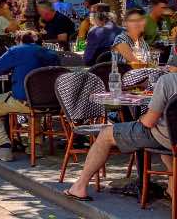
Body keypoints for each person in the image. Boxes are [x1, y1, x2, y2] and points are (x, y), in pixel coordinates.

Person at [65, 71, 177, 201]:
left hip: (166, 137)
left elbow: (148, 122)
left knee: (105, 134)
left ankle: (79, 187)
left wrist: (141, 118)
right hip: (172, 140)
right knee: (167, 150)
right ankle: (171, 190)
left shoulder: (168, 81)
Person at [0, 31, 59, 161]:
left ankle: (3, 146)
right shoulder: (51, 53)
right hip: (50, 102)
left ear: (19, 41)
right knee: (36, 99)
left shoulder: (16, 51)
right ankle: (35, 145)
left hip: (24, 101)